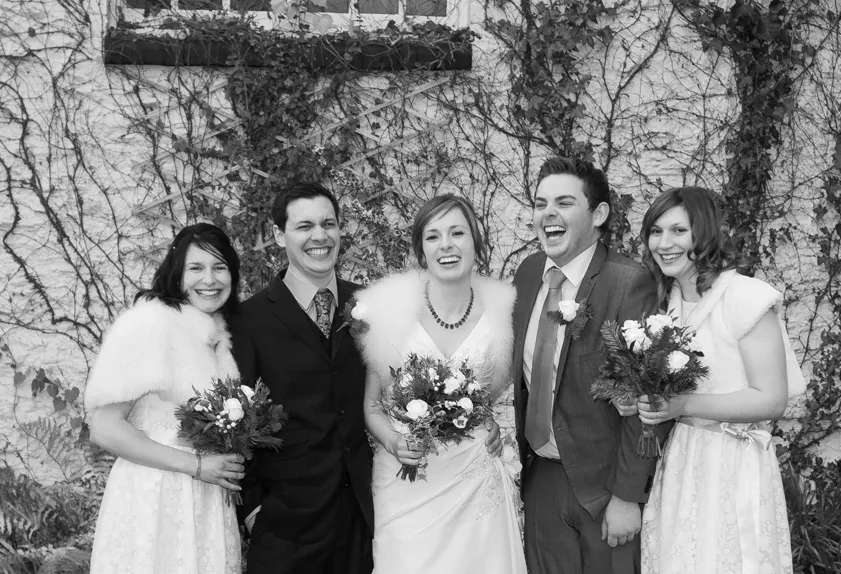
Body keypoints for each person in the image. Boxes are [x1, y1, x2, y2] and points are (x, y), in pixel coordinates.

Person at [512, 157, 667, 574]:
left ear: (598, 214)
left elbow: (648, 393)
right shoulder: (527, 274)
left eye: (564, 202)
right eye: (540, 202)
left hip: (605, 489)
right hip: (542, 478)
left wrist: (628, 496)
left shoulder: (628, 283)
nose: (549, 213)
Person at [356, 194, 526, 574]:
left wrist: (493, 424)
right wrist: (394, 441)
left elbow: (503, 394)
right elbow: (370, 405)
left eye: (457, 233)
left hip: (476, 477)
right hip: (408, 483)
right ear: (421, 249)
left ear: (475, 242)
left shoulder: (505, 312)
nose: (446, 245)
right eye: (433, 236)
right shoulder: (388, 311)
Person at [636, 186, 799, 574]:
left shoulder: (745, 297)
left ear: (704, 233)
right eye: (655, 231)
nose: (664, 242)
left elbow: (771, 399)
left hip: (733, 460)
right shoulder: (664, 303)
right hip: (682, 459)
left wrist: (684, 406)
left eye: (678, 230)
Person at [229, 183, 374, 574]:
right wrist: (254, 508)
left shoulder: (369, 305)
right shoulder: (249, 321)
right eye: (304, 226)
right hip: (285, 528)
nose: (319, 236)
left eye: (329, 224)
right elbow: (236, 420)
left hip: (363, 519)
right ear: (280, 235)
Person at [85, 223, 245, 574]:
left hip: (206, 500)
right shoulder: (147, 325)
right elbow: (105, 429)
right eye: (196, 268)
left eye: (220, 267)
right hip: (154, 499)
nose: (210, 279)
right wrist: (198, 467)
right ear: (176, 274)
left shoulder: (218, 335)